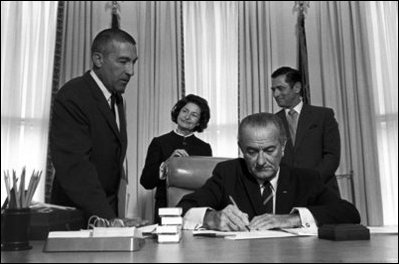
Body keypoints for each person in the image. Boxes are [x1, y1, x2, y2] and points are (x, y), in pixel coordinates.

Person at [177, 113, 360, 231]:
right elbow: (181, 209)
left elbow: (349, 213)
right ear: (241, 148)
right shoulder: (228, 173)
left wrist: (290, 219)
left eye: (270, 150)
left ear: (283, 147)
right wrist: (211, 218)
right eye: (252, 152)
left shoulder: (305, 179)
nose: (261, 161)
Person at [50, 28, 138, 221]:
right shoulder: (73, 95)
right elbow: (76, 169)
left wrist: (116, 220)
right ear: (98, 59)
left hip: (104, 219)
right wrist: (109, 220)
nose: (131, 71)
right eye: (123, 61)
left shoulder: (117, 99)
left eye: (133, 63)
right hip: (75, 220)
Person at [140, 94, 212, 223]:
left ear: (199, 121)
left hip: (194, 210)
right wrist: (167, 164)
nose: (187, 117)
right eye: (184, 111)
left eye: (194, 115)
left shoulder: (204, 148)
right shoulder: (159, 142)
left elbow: (207, 186)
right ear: (178, 112)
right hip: (164, 208)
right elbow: (146, 182)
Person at [271, 66, 341, 195]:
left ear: (297, 87)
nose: (275, 94)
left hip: (322, 191)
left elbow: (332, 157)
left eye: (280, 88)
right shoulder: (272, 121)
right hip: (287, 194)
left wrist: (309, 182)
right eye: (273, 90)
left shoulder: (323, 116)